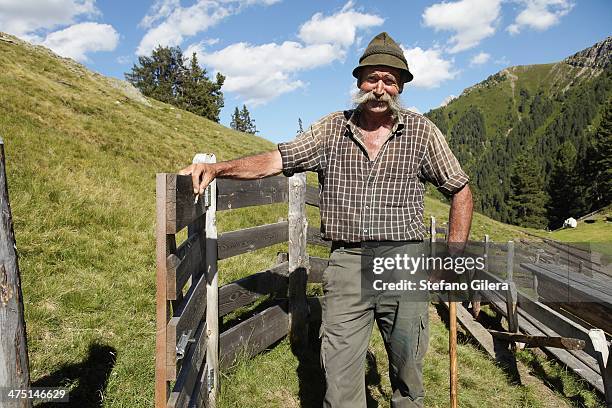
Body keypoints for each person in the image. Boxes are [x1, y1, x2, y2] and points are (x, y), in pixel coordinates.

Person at [180, 32, 473, 408]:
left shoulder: (421, 132)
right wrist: (219, 168)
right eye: (373, 78)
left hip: (404, 259)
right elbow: (277, 160)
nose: (380, 88)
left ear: (400, 86)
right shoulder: (331, 129)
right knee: (338, 372)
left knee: (407, 368)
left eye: (389, 80)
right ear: (359, 82)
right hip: (348, 261)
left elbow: (460, 189)